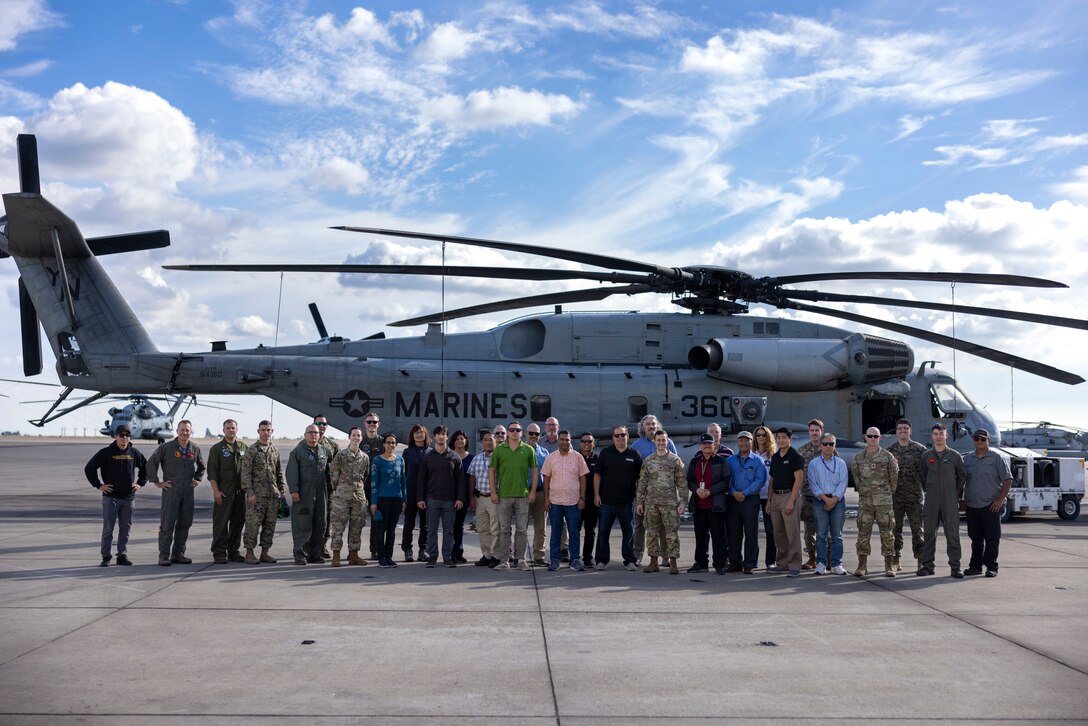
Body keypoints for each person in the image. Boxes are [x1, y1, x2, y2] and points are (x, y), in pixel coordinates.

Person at [84, 426, 147, 567]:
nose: (124, 438)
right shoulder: (106, 453)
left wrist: (140, 483)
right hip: (110, 497)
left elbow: (146, 468)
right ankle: (106, 557)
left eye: (127, 435)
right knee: (108, 528)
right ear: (115, 436)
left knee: (125, 529)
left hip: (128, 498)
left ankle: (122, 556)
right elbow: (89, 468)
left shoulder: (134, 453)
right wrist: (99, 485)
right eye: (122, 435)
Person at [148, 419, 205, 566]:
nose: (185, 432)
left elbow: (202, 466)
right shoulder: (166, 447)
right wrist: (157, 482)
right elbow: (151, 463)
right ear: (177, 430)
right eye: (182, 430)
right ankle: (164, 556)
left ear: (190, 432)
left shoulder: (194, 448)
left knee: (185, 523)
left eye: (187, 430)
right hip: (171, 491)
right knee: (167, 524)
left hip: (188, 492)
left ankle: (178, 554)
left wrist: (198, 479)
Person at [918, 423, 967, 578]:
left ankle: (955, 567)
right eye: (935, 434)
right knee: (929, 534)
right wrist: (931, 488)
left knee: (952, 533)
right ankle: (928, 566)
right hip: (931, 499)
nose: (938, 436)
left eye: (941, 433)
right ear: (932, 436)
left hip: (949, 500)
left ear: (946, 435)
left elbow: (962, 476)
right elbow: (922, 476)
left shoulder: (954, 456)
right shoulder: (926, 456)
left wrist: (953, 492)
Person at [963, 430, 1012, 577]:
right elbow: (961, 480)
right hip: (972, 505)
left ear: (989, 441)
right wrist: (961, 499)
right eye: (976, 438)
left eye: (983, 439)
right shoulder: (968, 459)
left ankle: (991, 567)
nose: (979, 441)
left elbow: (1007, 480)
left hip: (990, 505)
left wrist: (1000, 500)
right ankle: (975, 566)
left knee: (992, 538)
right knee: (975, 539)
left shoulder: (996, 458)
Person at [489, 421, 538, 571]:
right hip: (504, 496)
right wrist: (493, 492)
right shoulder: (499, 450)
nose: (515, 432)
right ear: (508, 432)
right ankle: (504, 561)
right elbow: (492, 471)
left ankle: (521, 560)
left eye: (518, 430)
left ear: (522, 433)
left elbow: (535, 471)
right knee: (504, 530)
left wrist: (532, 491)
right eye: (512, 430)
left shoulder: (528, 449)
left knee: (522, 530)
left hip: (522, 496)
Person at [636, 429, 686, 575]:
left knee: (672, 533)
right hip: (651, 503)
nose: (661, 443)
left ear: (667, 441)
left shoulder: (675, 460)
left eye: (663, 440)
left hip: (669, 503)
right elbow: (642, 482)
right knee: (651, 532)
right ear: (654, 441)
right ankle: (653, 562)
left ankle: (673, 562)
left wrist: (683, 502)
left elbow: (682, 483)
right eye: (658, 440)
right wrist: (640, 501)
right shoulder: (648, 460)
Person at [851, 427, 899, 577]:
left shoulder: (888, 457)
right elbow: (857, 479)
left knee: (887, 534)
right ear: (865, 437)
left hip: (884, 502)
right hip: (866, 501)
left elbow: (894, 479)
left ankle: (889, 565)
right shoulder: (858, 458)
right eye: (870, 436)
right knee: (863, 533)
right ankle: (862, 565)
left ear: (880, 438)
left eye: (875, 436)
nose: (872, 438)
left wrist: (885, 492)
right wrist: (865, 491)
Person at [417, 425, 467, 567]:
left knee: (448, 531)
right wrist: (420, 498)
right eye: (438, 434)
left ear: (446, 437)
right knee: (431, 530)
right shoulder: (427, 457)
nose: (440, 436)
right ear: (434, 438)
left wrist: (460, 498)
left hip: (450, 501)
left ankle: (447, 557)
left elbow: (460, 480)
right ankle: (432, 557)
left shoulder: (454, 457)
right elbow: (421, 479)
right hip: (432, 499)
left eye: (443, 434)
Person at [541, 430, 590, 571]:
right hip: (555, 501)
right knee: (555, 531)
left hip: (573, 501)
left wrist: (582, 498)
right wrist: (546, 499)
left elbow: (582, 478)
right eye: (562, 439)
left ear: (570, 441)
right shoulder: (551, 458)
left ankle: (574, 559)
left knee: (574, 532)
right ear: (558, 441)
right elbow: (546, 479)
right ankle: (555, 560)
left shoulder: (578, 457)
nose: (564, 442)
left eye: (567, 440)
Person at [594, 425, 642, 570]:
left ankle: (629, 560)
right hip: (606, 501)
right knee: (603, 531)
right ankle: (601, 560)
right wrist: (596, 494)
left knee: (628, 532)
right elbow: (597, 474)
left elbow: (640, 479)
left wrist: (639, 499)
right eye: (617, 435)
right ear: (613, 437)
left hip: (627, 502)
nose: (620, 438)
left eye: (623, 435)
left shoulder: (635, 454)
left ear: (627, 436)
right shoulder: (606, 453)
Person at [631, 414, 675, 564]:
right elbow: (633, 471)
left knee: (663, 524)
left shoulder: (668, 443)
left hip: (664, 491)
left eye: (653, 424)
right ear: (643, 428)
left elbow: (675, 466)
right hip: (644, 491)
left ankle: (666, 556)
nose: (651, 426)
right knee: (640, 524)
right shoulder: (636, 446)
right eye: (648, 424)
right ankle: (637, 555)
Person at [241, 420, 286, 565]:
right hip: (257, 495)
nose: (266, 433)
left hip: (272, 495)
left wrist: (282, 490)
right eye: (263, 430)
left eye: (268, 430)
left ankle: (265, 553)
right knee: (253, 524)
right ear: (258, 431)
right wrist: (250, 493)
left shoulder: (274, 451)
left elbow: (278, 472)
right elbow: (246, 473)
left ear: (272, 431)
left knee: (269, 525)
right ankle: (249, 553)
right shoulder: (252, 450)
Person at [685, 433, 730, 574]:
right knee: (700, 535)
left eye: (709, 444)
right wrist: (696, 489)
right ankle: (701, 563)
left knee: (718, 536)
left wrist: (710, 491)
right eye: (704, 444)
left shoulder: (721, 462)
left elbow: (726, 481)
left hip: (715, 505)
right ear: (700, 446)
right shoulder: (695, 462)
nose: (706, 446)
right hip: (699, 505)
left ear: (714, 445)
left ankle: (719, 564)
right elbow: (690, 480)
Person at [286, 424, 331, 565]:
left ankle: (315, 554)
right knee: (302, 524)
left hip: (321, 493)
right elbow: (291, 472)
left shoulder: (325, 451)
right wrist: (294, 490)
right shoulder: (297, 452)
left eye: (316, 433)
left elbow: (330, 472)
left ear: (319, 435)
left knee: (320, 523)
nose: (313, 435)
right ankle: (300, 554)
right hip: (304, 494)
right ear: (305, 435)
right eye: (310, 432)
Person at [887, 418, 927, 573]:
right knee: (895, 530)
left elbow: (926, 471)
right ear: (897, 432)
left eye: (905, 428)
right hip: (896, 497)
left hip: (915, 497)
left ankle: (921, 560)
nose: (903, 431)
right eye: (900, 429)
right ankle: (896, 559)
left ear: (910, 431)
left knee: (918, 530)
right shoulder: (890, 451)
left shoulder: (920, 450)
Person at [726, 431, 767, 575]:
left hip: (750, 500)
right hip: (733, 500)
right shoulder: (730, 461)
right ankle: (735, 563)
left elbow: (760, 479)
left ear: (751, 442)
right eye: (741, 441)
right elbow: (726, 480)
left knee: (751, 532)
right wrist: (733, 492)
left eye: (747, 441)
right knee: (734, 533)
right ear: (737, 443)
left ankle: (749, 563)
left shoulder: (757, 461)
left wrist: (745, 493)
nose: (743, 443)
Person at [329, 426, 370, 567]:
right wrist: (340, 489)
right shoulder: (341, 456)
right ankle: (336, 555)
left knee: (357, 526)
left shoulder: (364, 457)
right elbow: (333, 475)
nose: (356, 438)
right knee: (338, 526)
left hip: (358, 497)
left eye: (358, 435)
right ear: (349, 437)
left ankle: (353, 555)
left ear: (361, 438)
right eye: (354, 435)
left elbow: (365, 476)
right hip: (342, 496)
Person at [807, 433, 848, 575]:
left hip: (837, 501)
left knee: (837, 535)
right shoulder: (814, 464)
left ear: (834, 445)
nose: (828, 447)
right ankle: (821, 563)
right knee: (821, 535)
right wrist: (826, 499)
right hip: (820, 501)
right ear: (821, 446)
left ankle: (837, 564)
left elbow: (843, 483)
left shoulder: (841, 463)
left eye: (831, 444)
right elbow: (813, 484)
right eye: (825, 444)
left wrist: (834, 500)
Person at [207, 418, 246, 564]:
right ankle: (219, 552)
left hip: (240, 493)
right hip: (224, 493)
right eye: (228, 428)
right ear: (223, 430)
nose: (231, 430)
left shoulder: (243, 447)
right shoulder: (217, 449)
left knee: (238, 523)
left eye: (233, 428)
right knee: (221, 524)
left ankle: (233, 551)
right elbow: (212, 473)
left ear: (237, 429)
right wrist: (216, 491)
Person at [767, 427, 804, 577]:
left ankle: (794, 565)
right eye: (779, 437)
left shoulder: (796, 456)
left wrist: (791, 501)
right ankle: (782, 563)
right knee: (779, 533)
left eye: (784, 437)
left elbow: (799, 480)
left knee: (792, 533)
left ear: (790, 439)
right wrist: (769, 500)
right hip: (776, 497)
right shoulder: (775, 457)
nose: (781, 440)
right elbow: (772, 480)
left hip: (789, 496)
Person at [370, 433, 406, 568]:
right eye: (389, 442)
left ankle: (389, 556)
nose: (391, 445)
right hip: (382, 499)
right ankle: (381, 557)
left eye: (393, 443)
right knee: (381, 530)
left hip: (396, 499)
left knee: (391, 530)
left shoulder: (400, 460)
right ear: (384, 444)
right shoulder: (377, 461)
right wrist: (374, 502)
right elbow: (374, 482)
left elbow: (403, 481)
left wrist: (404, 500)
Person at [796, 419, 825, 570]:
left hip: (825, 497)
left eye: (817, 430)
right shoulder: (802, 451)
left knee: (825, 529)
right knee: (809, 530)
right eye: (812, 430)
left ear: (821, 432)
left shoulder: (828, 448)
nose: (814, 433)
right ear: (809, 432)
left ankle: (826, 559)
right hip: (808, 496)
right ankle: (812, 558)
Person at [468, 431, 499, 567]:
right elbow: (472, 478)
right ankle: (486, 555)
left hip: (494, 498)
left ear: (495, 442)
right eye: (485, 440)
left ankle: (496, 556)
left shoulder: (499, 458)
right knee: (482, 528)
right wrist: (472, 497)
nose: (488, 442)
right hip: (480, 498)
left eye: (490, 440)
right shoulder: (477, 459)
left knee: (495, 528)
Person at [400, 424, 430, 562]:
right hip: (411, 492)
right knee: (409, 522)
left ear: (425, 435)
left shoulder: (431, 452)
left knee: (425, 524)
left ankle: (423, 549)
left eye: (421, 433)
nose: (419, 435)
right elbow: (402, 474)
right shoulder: (407, 452)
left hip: (427, 492)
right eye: (416, 433)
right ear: (412, 435)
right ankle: (407, 549)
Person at [314, 414, 339, 559]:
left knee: (327, 518)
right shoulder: (305, 443)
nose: (321, 426)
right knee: (310, 517)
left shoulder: (332, 445)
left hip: (328, 488)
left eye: (324, 424)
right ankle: (309, 546)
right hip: (311, 488)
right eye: (319, 423)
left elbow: (336, 467)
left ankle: (323, 546)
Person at [359, 414, 384, 560]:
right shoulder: (360, 441)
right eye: (369, 422)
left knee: (376, 518)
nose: (372, 424)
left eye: (374, 422)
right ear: (365, 424)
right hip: (362, 484)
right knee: (357, 517)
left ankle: (375, 549)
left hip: (378, 485)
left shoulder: (383, 442)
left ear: (378, 424)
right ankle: (353, 550)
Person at [525, 422, 550, 565]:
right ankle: (519, 556)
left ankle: (539, 555)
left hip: (540, 493)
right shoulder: (519, 451)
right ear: (525, 434)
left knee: (541, 527)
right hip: (524, 492)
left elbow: (547, 476)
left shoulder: (544, 453)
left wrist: (547, 497)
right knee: (522, 527)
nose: (534, 436)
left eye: (537, 434)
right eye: (531, 433)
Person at [753, 425, 777, 570]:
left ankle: (770, 561)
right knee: (752, 530)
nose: (761, 437)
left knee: (770, 530)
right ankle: (752, 560)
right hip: (754, 495)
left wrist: (770, 498)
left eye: (764, 435)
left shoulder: (773, 455)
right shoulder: (751, 454)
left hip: (769, 496)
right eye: (758, 435)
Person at [449, 430, 474, 564]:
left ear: (466, 441)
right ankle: (450, 553)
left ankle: (458, 552)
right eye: (457, 439)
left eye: (462, 438)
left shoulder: (472, 458)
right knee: (449, 525)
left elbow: (473, 478)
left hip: (464, 497)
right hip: (449, 496)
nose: (459, 441)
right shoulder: (449, 456)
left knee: (459, 525)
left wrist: (471, 497)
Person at [578, 432, 600, 568]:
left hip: (592, 501)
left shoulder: (598, 459)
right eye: (584, 441)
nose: (587, 444)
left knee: (590, 531)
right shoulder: (574, 457)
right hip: (576, 500)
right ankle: (573, 556)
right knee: (574, 530)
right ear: (580, 443)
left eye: (589, 442)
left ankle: (587, 557)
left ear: (594, 444)